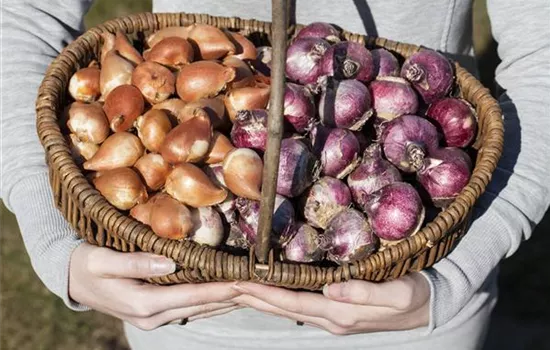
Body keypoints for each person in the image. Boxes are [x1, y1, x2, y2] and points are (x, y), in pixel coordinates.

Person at [1, 0, 549, 349]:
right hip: (182, 305)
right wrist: (54, 240)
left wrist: (457, 272)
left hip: (411, 297)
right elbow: (23, 15)